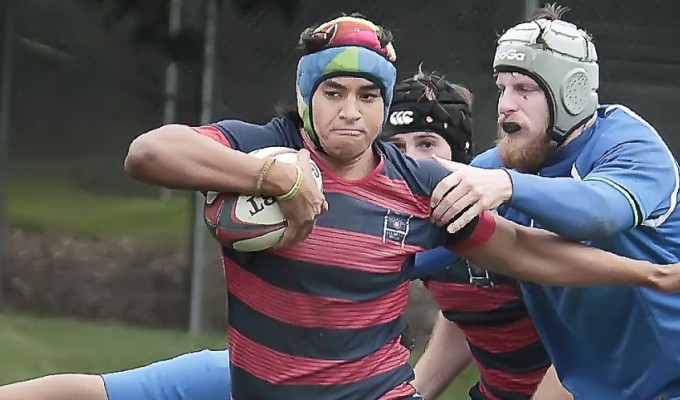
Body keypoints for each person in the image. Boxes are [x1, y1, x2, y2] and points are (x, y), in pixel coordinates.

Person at [4, 12, 679, 400]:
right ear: (307, 99)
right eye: (332, 93)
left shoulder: (441, 185)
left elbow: (552, 239)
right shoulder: (272, 148)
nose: (350, 112)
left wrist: (645, 274)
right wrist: (273, 180)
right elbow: (150, 153)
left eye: (366, 96)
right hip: (265, 380)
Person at [427, 4, 680, 399]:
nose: (506, 105)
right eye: (502, 89)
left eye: (524, 89)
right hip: (593, 388)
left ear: (573, 91)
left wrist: (508, 186)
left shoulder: (629, 144)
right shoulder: (501, 167)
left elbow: (599, 213)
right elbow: (423, 245)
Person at [381, 71, 557, 400]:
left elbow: (593, 342)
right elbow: (465, 308)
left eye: (427, 144)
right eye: (396, 148)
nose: (410, 161)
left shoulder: (511, 214)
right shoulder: (410, 231)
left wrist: (654, 276)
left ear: (460, 158)